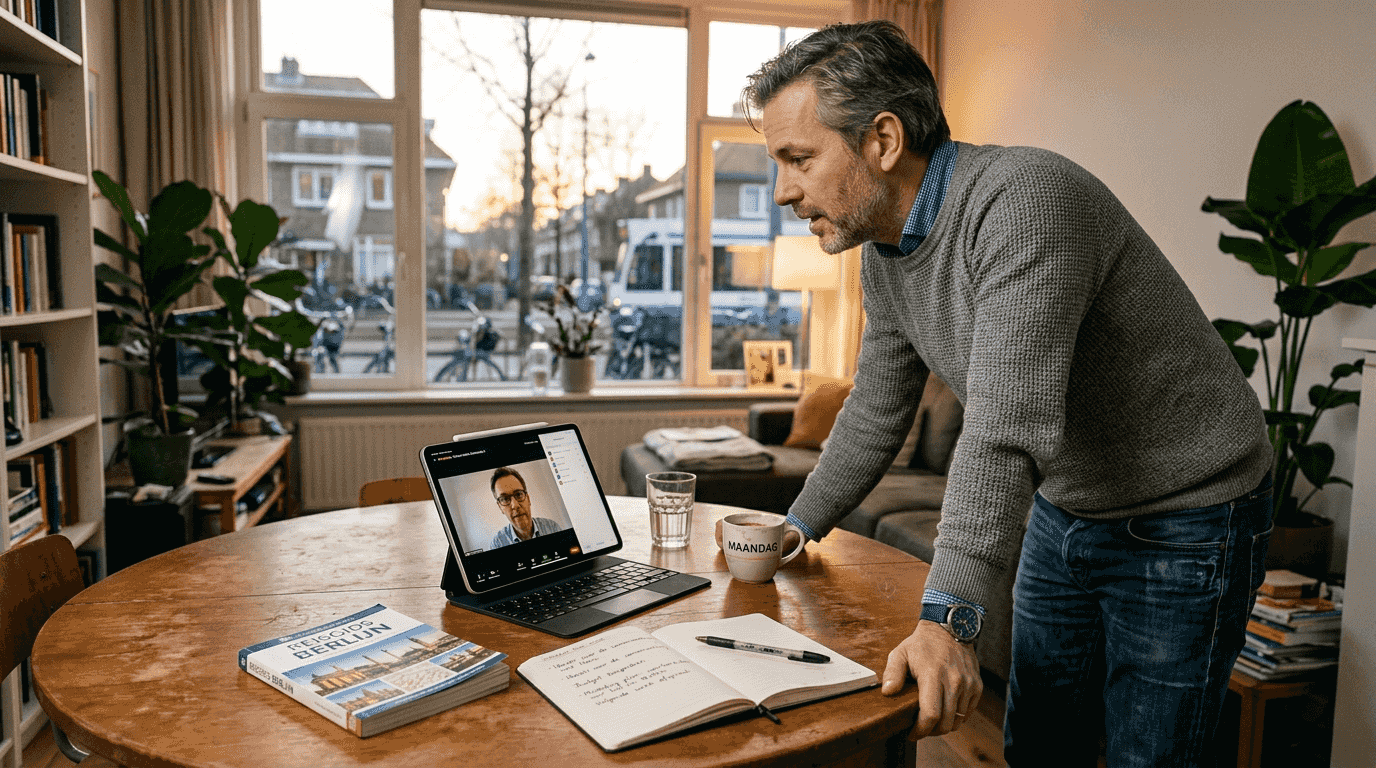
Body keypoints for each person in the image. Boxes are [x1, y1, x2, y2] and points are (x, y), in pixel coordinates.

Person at [743, 21, 1273, 766]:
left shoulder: (1024, 200)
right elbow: (876, 407)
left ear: (884, 140)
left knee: (1148, 758)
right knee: (1039, 744)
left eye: (798, 158)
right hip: (1067, 505)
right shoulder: (886, 256)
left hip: (1187, 510)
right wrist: (795, 528)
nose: (783, 191)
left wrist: (948, 619)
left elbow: (1004, 427)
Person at [489, 467, 562, 549]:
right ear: (500, 507)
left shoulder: (552, 528)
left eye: (519, 494)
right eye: (505, 499)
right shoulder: (497, 544)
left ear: (528, 499)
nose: (515, 505)